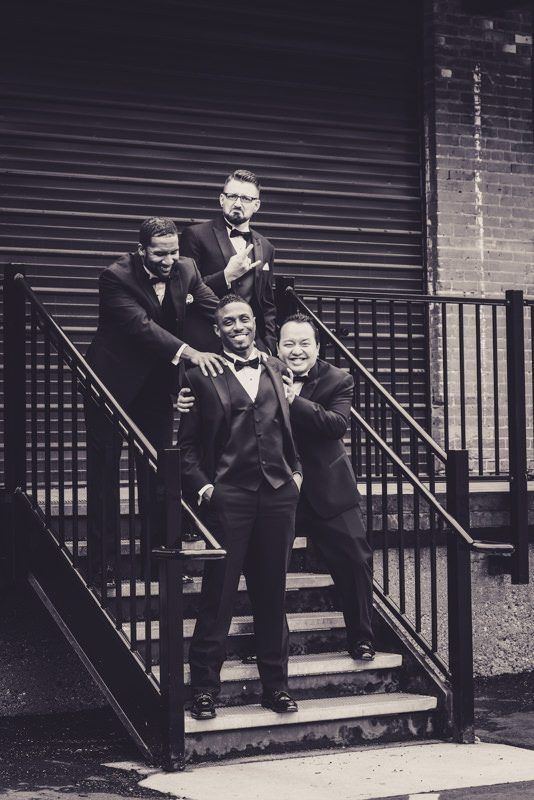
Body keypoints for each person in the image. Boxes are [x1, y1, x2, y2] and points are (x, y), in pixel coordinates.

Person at [178, 312, 375, 661]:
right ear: (277, 346)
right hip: (272, 492)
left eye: (304, 344)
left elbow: (335, 425)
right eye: (289, 344)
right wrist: (183, 401)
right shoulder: (266, 371)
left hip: (327, 490)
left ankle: (361, 637)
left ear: (317, 347)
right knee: (266, 574)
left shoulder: (338, 379)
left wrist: (293, 400)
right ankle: (266, 648)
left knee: (355, 562)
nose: (296, 351)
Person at [178, 295, 302, 720]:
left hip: (278, 493)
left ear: (254, 323)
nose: (237, 327)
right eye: (227, 322)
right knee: (219, 595)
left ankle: (276, 687)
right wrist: (206, 489)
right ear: (217, 330)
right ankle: (204, 692)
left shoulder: (275, 368)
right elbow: (187, 447)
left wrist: (296, 474)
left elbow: (286, 430)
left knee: (272, 594)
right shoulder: (198, 377)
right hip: (228, 496)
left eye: (243, 319)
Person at [84, 216, 224, 583]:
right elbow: (140, 327)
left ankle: (158, 563)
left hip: (155, 387)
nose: (168, 261)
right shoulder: (114, 277)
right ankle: (104, 566)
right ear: (141, 250)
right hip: (109, 384)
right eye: (159, 254)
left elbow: (216, 310)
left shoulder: (188, 268)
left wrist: (254, 347)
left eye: (173, 252)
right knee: (105, 474)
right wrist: (190, 353)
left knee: (158, 474)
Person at [179, 169, 276, 355]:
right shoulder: (196, 235)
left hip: (252, 348)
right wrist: (226, 276)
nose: (238, 203)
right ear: (222, 199)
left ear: (256, 205)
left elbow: (266, 304)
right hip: (207, 346)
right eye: (232, 196)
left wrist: (268, 346)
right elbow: (184, 293)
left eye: (246, 199)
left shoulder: (266, 246)